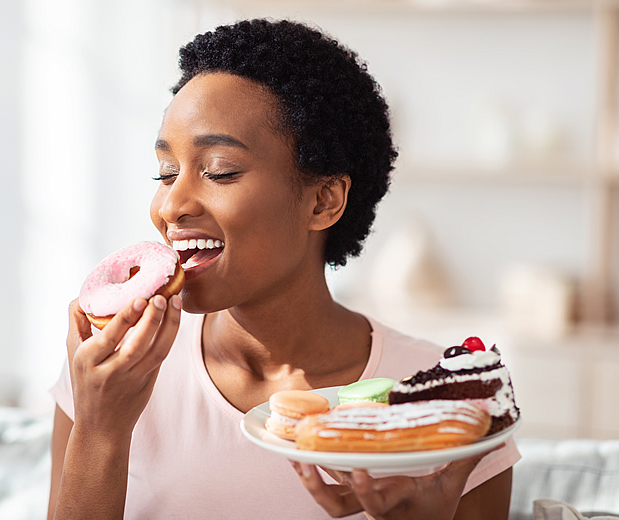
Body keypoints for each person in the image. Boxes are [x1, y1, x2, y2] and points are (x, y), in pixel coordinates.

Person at [47, 18, 520, 519]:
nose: (171, 206)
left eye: (219, 171)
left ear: (323, 201)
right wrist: (100, 430)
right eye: (165, 173)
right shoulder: (110, 371)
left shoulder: (447, 399)